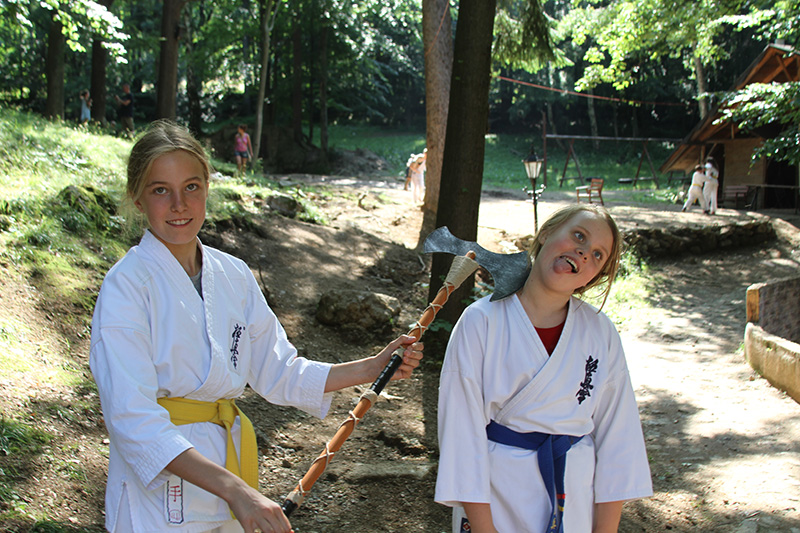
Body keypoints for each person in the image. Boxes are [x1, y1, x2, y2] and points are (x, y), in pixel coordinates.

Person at [89, 120, 423, 533]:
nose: (179, 204)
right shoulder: (126, 287)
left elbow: (280, 370)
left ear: (207, 188)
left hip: (228, 480)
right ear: (138, 199)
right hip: (159, 494)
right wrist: (237, 491)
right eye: (161, 190)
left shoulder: (232, 274)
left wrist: (372, 367)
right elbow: (132, 418)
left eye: (191, 187)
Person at [435, 204, 652, 533]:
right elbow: (461, 435)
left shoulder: (600, 331)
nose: (583, 252)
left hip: (574, 497)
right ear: (547, 233)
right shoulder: (481, 321)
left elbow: (619, 440)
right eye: (578, 236)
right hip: (496, 496)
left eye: (597, 254)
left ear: (596, 275)